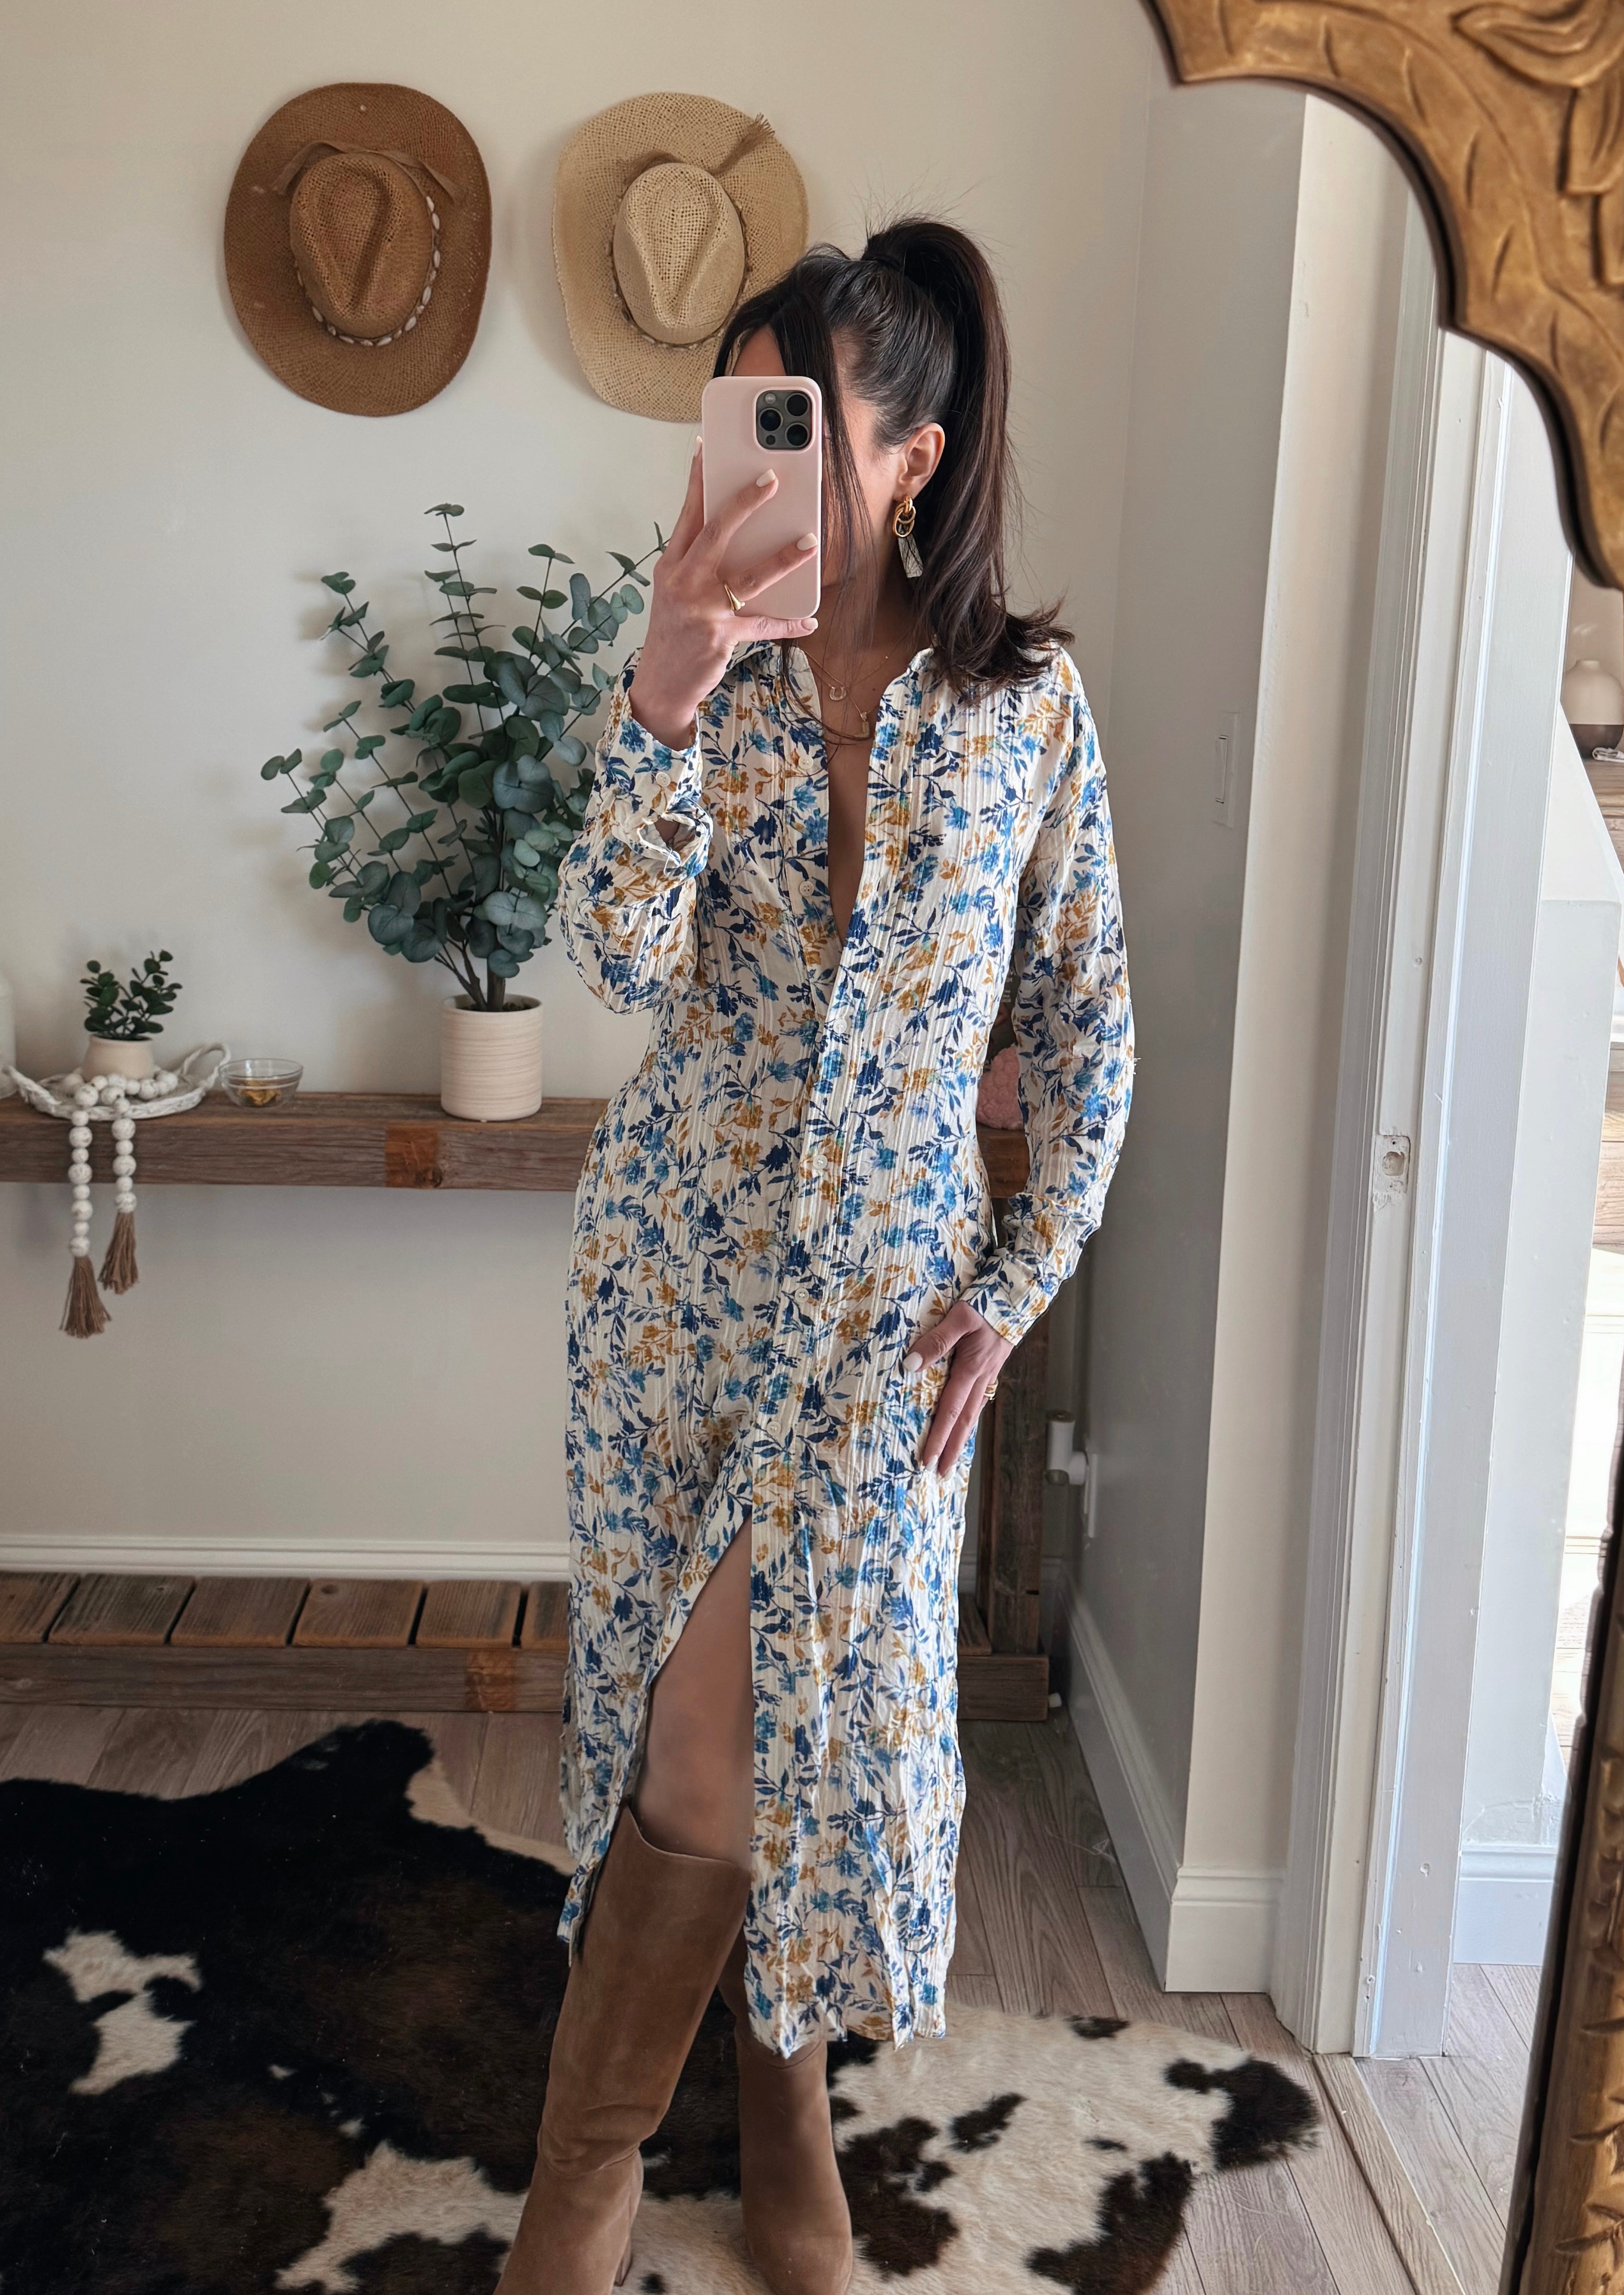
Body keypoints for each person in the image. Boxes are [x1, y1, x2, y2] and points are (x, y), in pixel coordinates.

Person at [497, 216, 1134, 2295]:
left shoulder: (1025, 709)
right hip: (675, 1285)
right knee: (703, 1728)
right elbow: (612, 961)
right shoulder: (697, 667)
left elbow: (1083, 1023)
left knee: (767, 1731)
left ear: (910, 456)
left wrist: (1018, 1281)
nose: (750, 455)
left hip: (882, 1320)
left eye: (798, 419)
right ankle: (705, 2151)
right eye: (733, 413)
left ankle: (631, 2170)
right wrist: (661, 700)